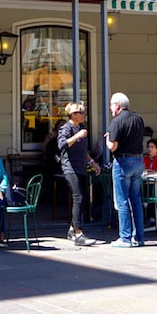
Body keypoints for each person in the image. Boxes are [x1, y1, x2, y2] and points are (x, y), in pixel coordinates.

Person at [105, 92, 146, 248]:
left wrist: (108, 137)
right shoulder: (138, 119)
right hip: (138, 160)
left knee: (122, 201)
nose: (110, 108)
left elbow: (112, 146)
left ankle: (125, 237)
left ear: (117, 105)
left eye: (111, 105)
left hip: (123, 162)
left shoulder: (116, 122)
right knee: (136, 200)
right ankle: (139, 237)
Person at [57, 102, 100, 246]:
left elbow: (83, 150)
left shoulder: (81, 128)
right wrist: (76, 137)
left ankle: (71, 229)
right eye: (80, 112)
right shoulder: (66, 128)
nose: (82, 115)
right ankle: (78, 234)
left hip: (81, 167)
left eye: (83, 112)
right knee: (78, 198)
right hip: (70, 167)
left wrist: (92, 162)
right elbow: (62, 146)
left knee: (83, 198)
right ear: (73, 115)